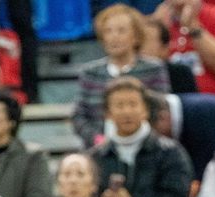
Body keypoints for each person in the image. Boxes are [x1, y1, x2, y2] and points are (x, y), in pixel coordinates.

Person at [73, 6, 172, 148]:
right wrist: (97, 140)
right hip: (100, 150)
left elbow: (162, 109)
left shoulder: (154, 68)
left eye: (121, 30)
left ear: (136, 36)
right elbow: (79, 116)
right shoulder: (89, 73)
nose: (114, 36)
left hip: (147, 148)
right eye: (108, 31)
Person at [153, 0, 215, 95]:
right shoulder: (158, 20)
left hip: (209, 100)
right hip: (168, 99)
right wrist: (157, 32)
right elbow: (147, 68)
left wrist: (193, 28)